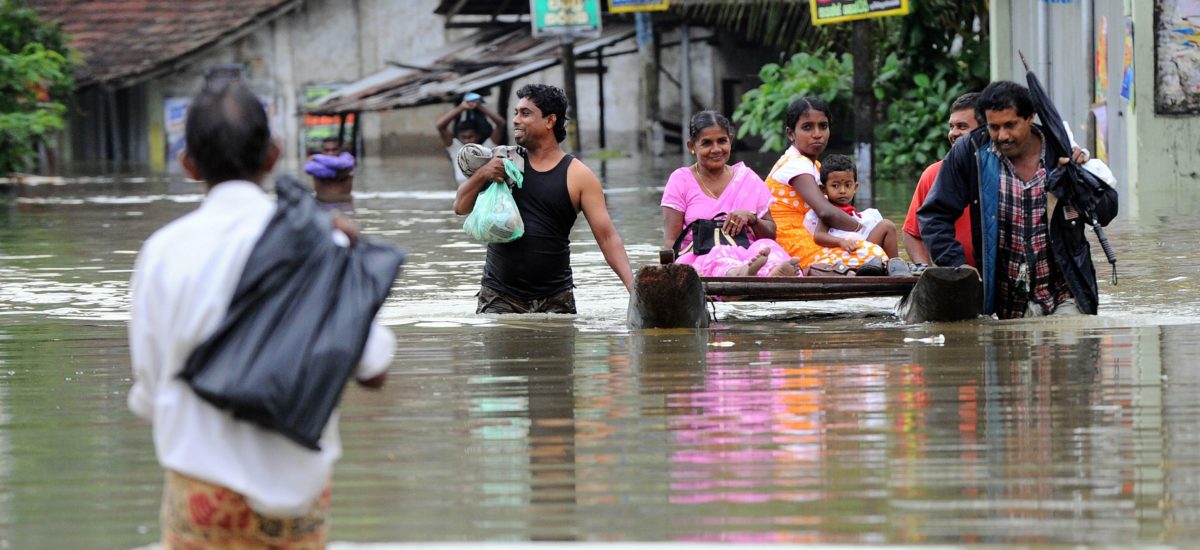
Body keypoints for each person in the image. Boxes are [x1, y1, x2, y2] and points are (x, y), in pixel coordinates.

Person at [128, 80, 394, 546]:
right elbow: (373, 370)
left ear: (187, 164)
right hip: (296, 504)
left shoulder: (162, 253)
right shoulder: (319, 242)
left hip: (200, 499)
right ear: (274, 155)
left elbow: (151, 391)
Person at [918, 80, 1118, 319]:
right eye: (994, 127)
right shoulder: (971, 152)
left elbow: (1106, 211)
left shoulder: (1060, 150)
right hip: (1003, 304)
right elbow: (934, 215)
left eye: (1010, 125)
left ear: (1030, 118)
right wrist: (957, 264)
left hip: (1064, 293)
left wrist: (1077, 180)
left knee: (1071, 349)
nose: (1002, 136)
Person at [452, 83, 633, 314]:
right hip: (499, 296)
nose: (516, 120)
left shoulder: (579, 175)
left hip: (556, 299)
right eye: (516, 113)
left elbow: (607, 238)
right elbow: (460, 207)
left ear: (550, 121)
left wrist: (633, 288)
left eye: (525, 113)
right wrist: (483, 174)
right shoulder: (502, 162)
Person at [763, 97, 896, 275]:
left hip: (816, 236)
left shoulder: (815, 166)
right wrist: (861, 227)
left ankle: (896, 273)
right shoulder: (794, 164)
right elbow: (826, 212)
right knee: (873, 252)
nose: (817, 134)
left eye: (823, 126)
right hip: (793, 242)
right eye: (807, 127)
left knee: (885, 228)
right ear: (791, 134)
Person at [662, 111, 801, 278]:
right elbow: (671, 241)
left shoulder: (747, 178)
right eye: (706, 143)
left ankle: (772, 274)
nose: (716, 149)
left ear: (731, 140)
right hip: (698, 258)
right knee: (717, 255)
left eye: (722, 141)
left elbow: (771, 234)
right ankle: (741, 274)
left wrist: (752, 218)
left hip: (747, 254)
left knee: (766, 246)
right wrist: (670, 275)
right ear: (692, 147)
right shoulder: (681, 180)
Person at [902, 92, 981, 268]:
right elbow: (913, 233)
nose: (953, 133)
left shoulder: (1006, 173)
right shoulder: (932, 174)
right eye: (951, 126)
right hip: (954, 277)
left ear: (984, 131)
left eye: (962, 126)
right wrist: (926, 271)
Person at [804, 153, 902, 262]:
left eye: (848, 185)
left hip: (861, 249)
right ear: (823, 189)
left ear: (855, 187)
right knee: (887, 225)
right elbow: (819, 236)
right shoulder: (829, 211)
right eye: (835, 186)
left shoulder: (852, 212)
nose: (842, 191)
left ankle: (895, 266)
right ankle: (893, 267)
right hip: (847, 254)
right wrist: (841, 242)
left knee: (887, 226)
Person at [437, 92, 506, 184]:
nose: (467, 141)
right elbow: (440, 126)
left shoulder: (487, 148)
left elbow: (501, 124)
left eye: (470, 137)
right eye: (464, 137)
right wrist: (462, 107)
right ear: (459, 137)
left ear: (478, 136)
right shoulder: (456, 148)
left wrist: (479, 106)